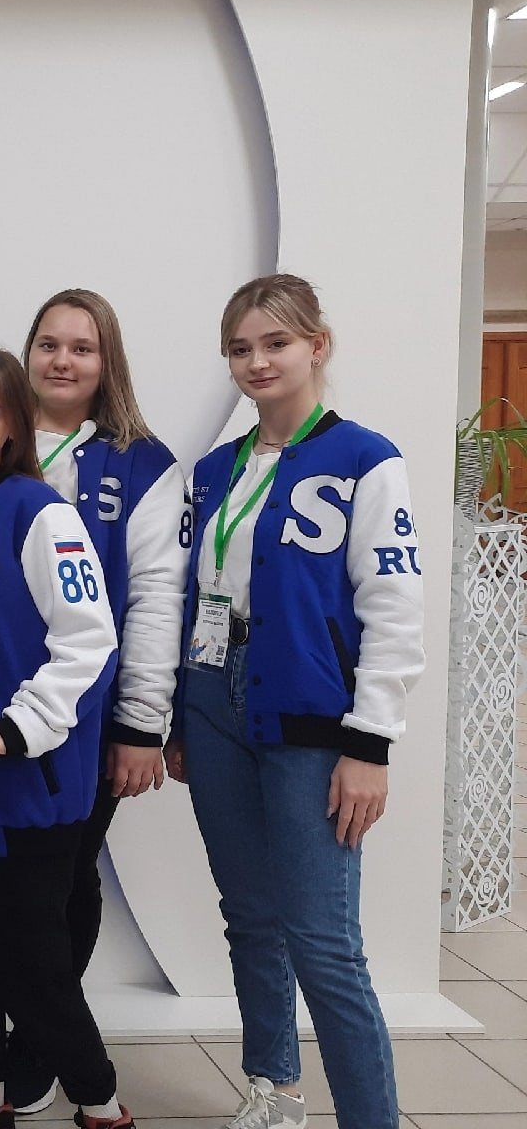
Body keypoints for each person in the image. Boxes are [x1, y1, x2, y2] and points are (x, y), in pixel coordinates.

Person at [0, 291, 186, 1117]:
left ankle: (61, 1063)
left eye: (81, 347)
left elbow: (131, 615)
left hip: (48, 751)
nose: (62, 360)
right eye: (48, 344)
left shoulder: (83, 489)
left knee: (38, 934)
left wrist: (130, 724)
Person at [166, 275, 423, 1129]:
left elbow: (393, 608)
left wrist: (370, 743)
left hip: (312, 715)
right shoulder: (214, 472)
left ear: (318, 345)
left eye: (275, 343)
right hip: (213, 704)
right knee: (249, 917)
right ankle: (273, 1091)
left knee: (324, 941)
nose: (257, 362)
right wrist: (179, 717)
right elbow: (191, 599)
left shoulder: (365, 459)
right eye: (239, 348)